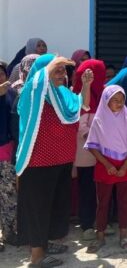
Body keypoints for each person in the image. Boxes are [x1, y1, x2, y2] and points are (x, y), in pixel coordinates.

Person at [16, 54, 91, 267]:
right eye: (56, 70)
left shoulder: (62, 94)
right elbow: (36, 84)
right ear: (43, 72)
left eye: (63, 71)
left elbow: (82, 106)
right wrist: (49, 66)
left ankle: (46, 244)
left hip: (61, 161)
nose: (61, 75)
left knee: (55, 206)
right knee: (38, 208)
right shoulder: (32, 94)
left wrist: (85, 85)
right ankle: (37, 256)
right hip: (39, 163)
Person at [83, 85, 127, 252]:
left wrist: (126, 165)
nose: (119, 104)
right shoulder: (99, 120)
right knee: (103, 203)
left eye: (122, 100)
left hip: (124, 165)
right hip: (105, 165)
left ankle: (124, 235)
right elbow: (92, 146)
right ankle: (100, 237)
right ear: (106, 101)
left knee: (124, 202)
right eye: (115, 100)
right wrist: (107, 165)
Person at [72, 59, 107, 242]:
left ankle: (100, 222)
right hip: (87, 153)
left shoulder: (104, 93)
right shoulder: (77, 95)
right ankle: (87, 225)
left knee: (101, 188)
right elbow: (81, 127)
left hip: (103, 152)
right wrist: (96, 142)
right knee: (86, 188)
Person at [0, 61, 17, 252]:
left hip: (6, 152)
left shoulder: (11, 94)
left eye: (2, 74)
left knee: (8, 195)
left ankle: (9, 232)